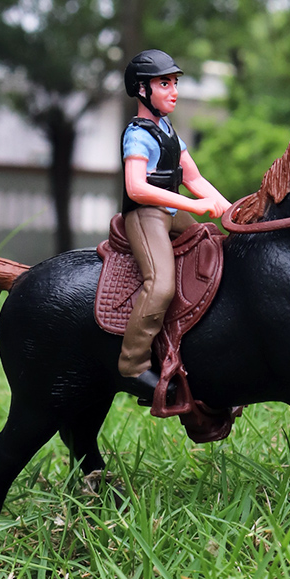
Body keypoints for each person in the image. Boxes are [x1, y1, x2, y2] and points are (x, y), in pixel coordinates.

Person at [118, 49, 231, 402]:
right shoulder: (136, 135)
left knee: (212, 242)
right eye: (164, 83)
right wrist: (191, 205)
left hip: (169, 210)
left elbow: (195, 178)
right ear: (141, 90)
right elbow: (136, 187)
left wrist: (232, 212)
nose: (174, 91)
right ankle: (134, 365)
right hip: (146, 215)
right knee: (161, 284)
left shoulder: (169, 133)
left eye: (174, 83)